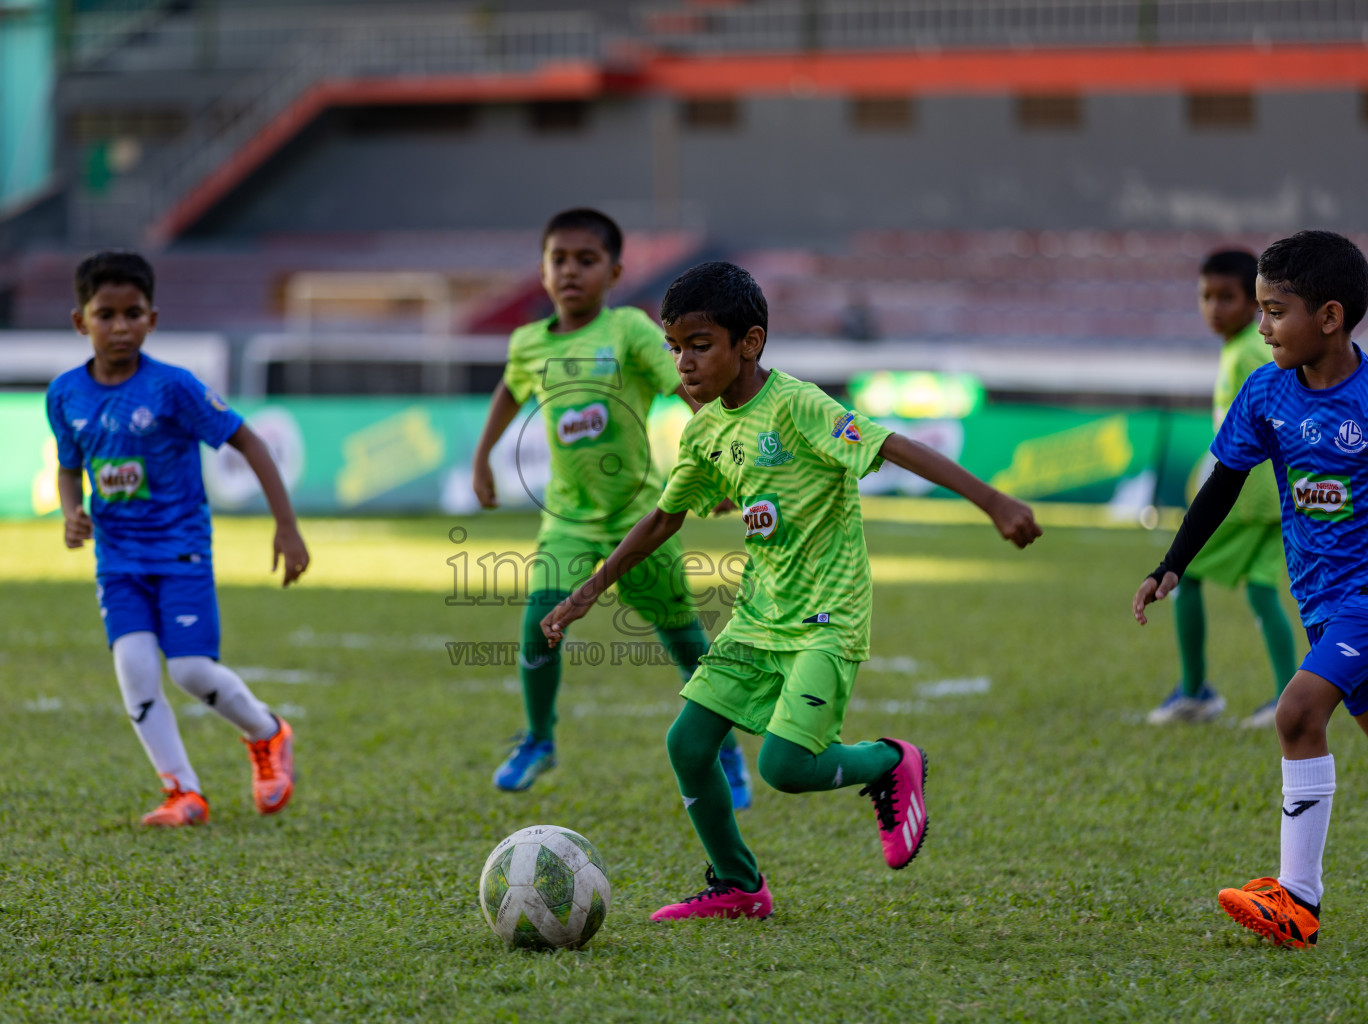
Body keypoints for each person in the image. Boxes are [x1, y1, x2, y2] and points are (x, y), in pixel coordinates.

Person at [542, 262, 1042, 920]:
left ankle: (890, 761)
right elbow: (666, 516)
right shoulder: (706, 429)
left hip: (826, 617)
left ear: (748, 342)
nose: (683, 364)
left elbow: (891, 445)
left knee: (783, 765)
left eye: (699, 345)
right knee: (687, 746)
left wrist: (992, 499)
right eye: (674, 348)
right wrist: (587, 591)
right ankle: (738, 885)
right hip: (758, 619)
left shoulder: (800, 405)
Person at [471, 209, 754, 807]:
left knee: (682, 641)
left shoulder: (628, 331)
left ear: (616, 271)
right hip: (568, 519)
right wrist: (482, 456)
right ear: (543, 269)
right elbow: (508, 390)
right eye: (559, 259)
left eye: (586, 259)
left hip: (638, 518)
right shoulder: (527, 343)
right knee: (539, 621)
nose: (570, 270)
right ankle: (538, 740)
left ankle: (723, 746)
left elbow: (687, 388)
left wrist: (724, 458)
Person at [1132, 230, 1368, 948]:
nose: (1261, 327)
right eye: (1259, 310)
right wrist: (1170, 563)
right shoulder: (1266, 390)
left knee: (1297, 714)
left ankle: (1297, 900)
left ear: (1328, 317)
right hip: (1322, 601)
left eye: (1275, 311)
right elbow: (1224, 482)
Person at [47, 250, 309, 827]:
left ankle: (267, 733)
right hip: (118, 560)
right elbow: (69, 465)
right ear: (80, 321)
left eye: (133, 313)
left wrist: (285, 526)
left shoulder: (174, 388)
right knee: (136, 670)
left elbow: (252, 444)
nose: (120, 327)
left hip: (180, 550)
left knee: (189, 670)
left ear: (153, 319)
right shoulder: (65, 395)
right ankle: (182, 792)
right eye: (105, 314)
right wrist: (71, 511)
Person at [1147, 250, 1296, 728]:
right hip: (1277, 498)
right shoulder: (1241, 351)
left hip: (1249, 501)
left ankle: (1194, 692)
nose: (1214, 307)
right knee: (1261, 590)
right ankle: (1285, 697)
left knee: (1183, 574)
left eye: (1226, 297)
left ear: (1253, 303)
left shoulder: (1249, 354)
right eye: (1206, 296)